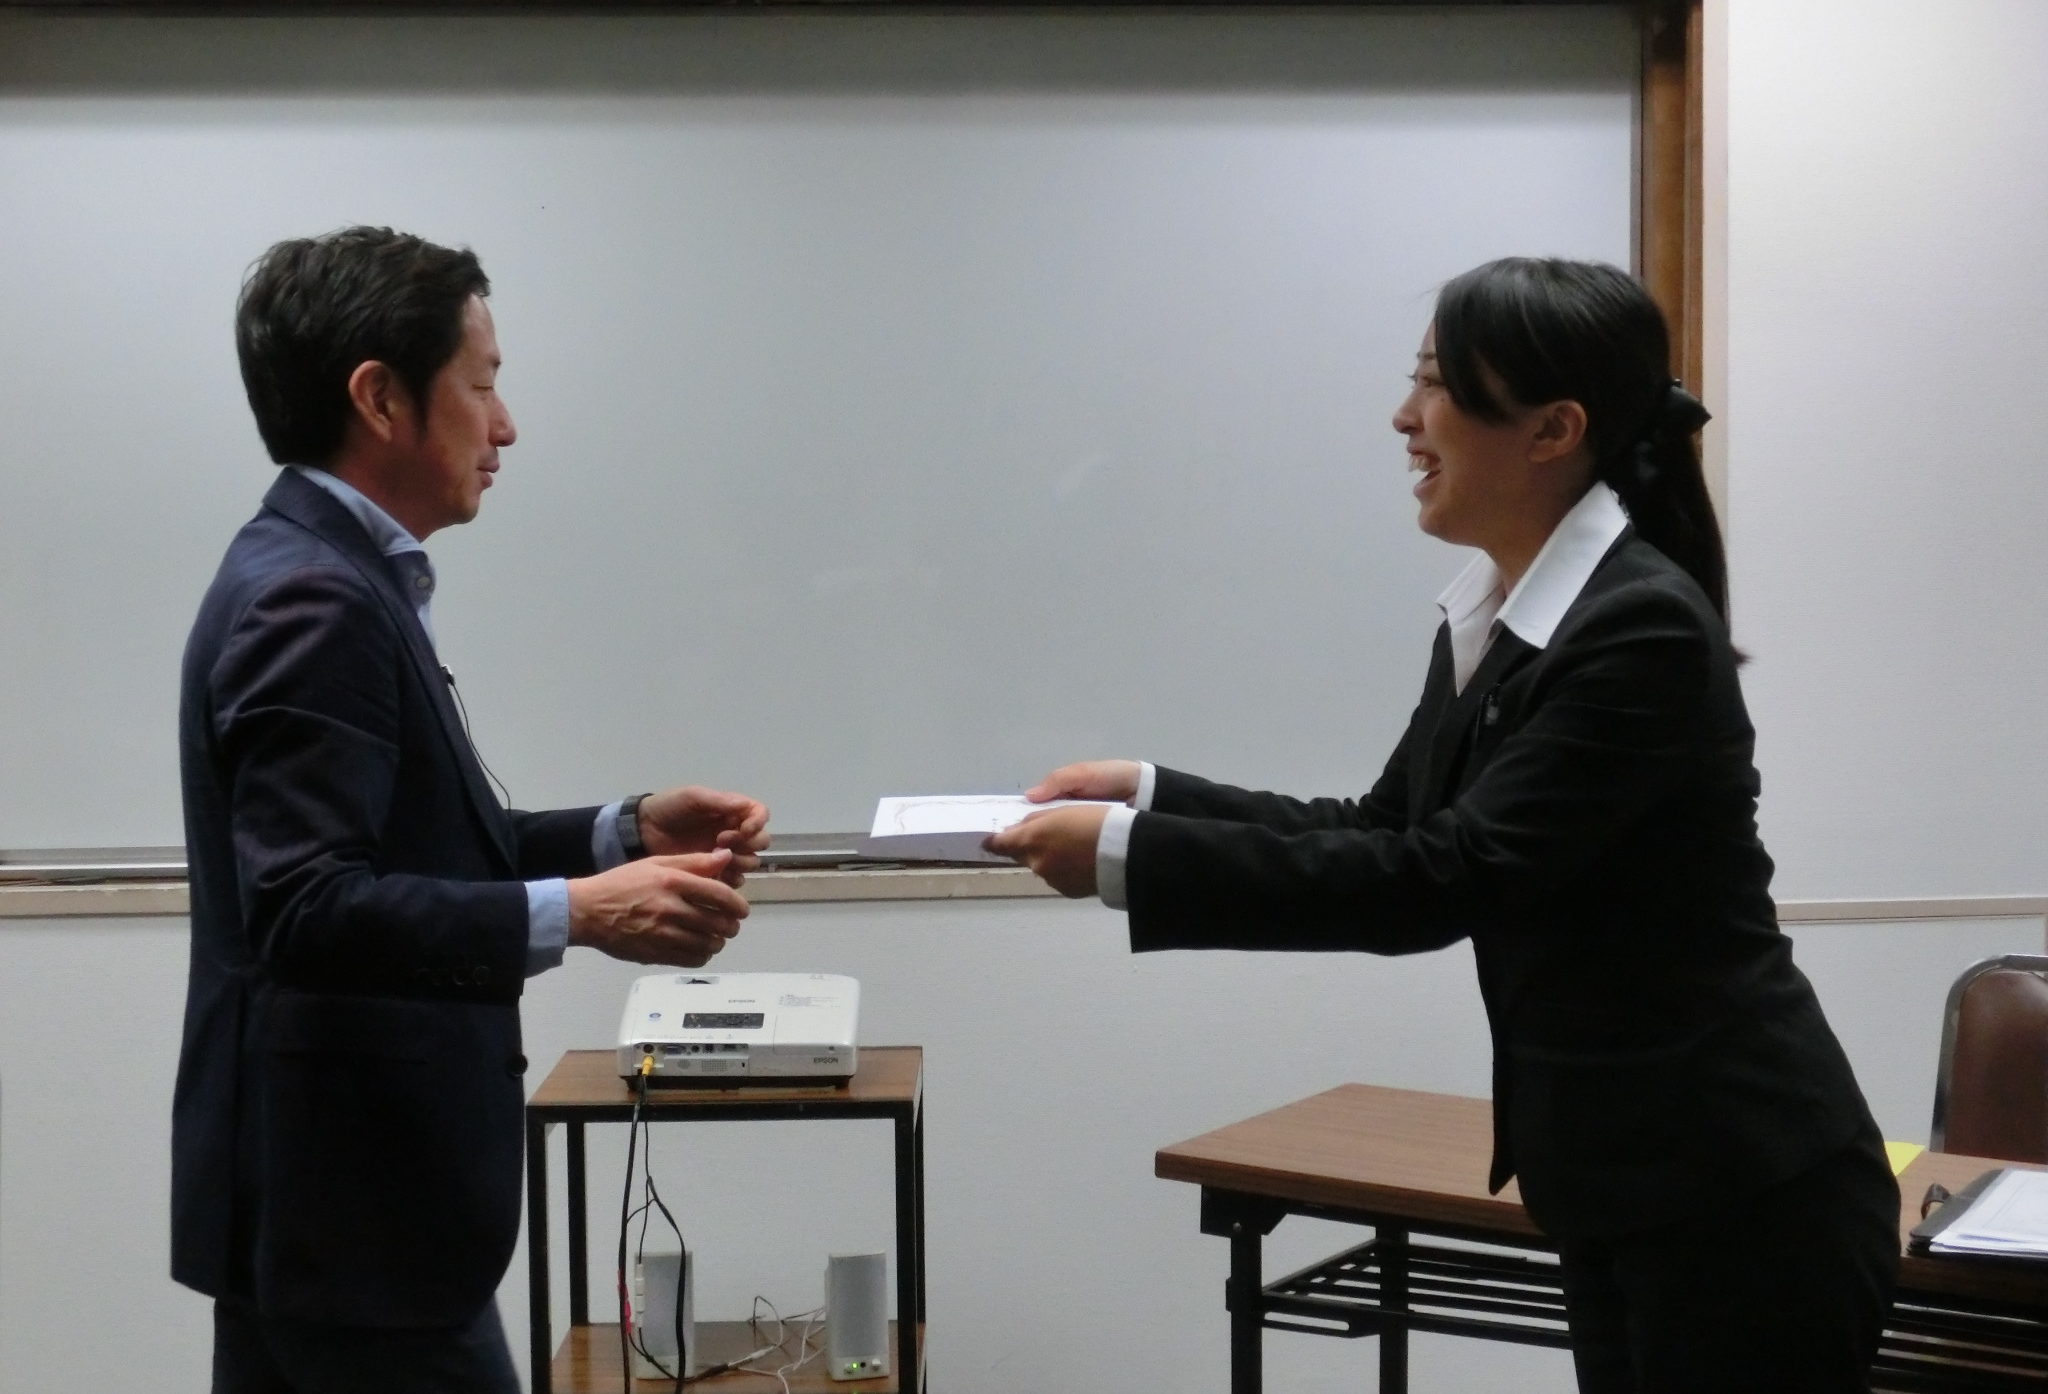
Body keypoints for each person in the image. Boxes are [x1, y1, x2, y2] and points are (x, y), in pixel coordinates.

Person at [987, 257, 1899, 1394]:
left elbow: (1440, 879)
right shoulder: (1504, 614)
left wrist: (1126, 858)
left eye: (1434, 383)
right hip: (1623, 1185)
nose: (1402, 417)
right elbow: (1386, 825)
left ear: (1552, 429)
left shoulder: (1638, 629)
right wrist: (1152, 794)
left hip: (1738, 1193)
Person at [172, 226, 768, 1394]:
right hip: (356, 1225)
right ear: (380, 398)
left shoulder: (324, 571)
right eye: (482, 386)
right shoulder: (313, 600)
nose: (505, 427)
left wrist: (621, 831)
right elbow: (306, 908)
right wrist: (580, 912)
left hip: (332, 1221)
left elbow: (409, 845)